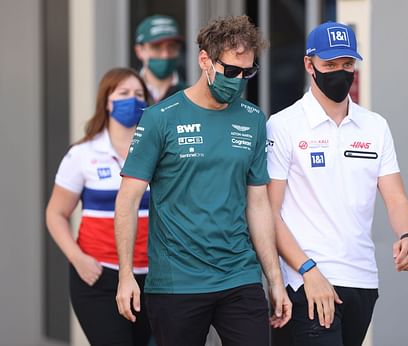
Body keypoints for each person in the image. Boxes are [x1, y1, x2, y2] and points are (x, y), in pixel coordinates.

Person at [115, 15, 292, 346]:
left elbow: (258, 204)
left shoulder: (253, 120)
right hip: (177, 282)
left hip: (240, 275)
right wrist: (126, 276)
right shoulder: (159, 119)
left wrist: (275, 280)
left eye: (248, 72)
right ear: (205, 61)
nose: (239, 80)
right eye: (231, 70)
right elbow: (128, 198)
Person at [267, 21, 408, 346]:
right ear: (309, 65)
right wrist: (307, 270)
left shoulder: (375, 126)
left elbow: (397, 199)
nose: (340, 72)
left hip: (362, 279)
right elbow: (270, 212)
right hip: (307, 281)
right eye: (330, 65)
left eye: (347, 64)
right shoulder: (283, 126)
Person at [45, 68, 152, 345]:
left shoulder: (157, 152)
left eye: (139, 94)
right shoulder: (82, 154)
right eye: (124, 93)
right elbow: (56, 214)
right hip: (99, 277)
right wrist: (77, 258)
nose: (133, 99)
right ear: (107, 101)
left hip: (153, 279)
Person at [134, 14, 186, 104]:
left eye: (172, 46)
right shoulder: (128, 94)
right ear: (139, 51)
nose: (165, 55)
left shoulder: (191, 95)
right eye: (156, 47)